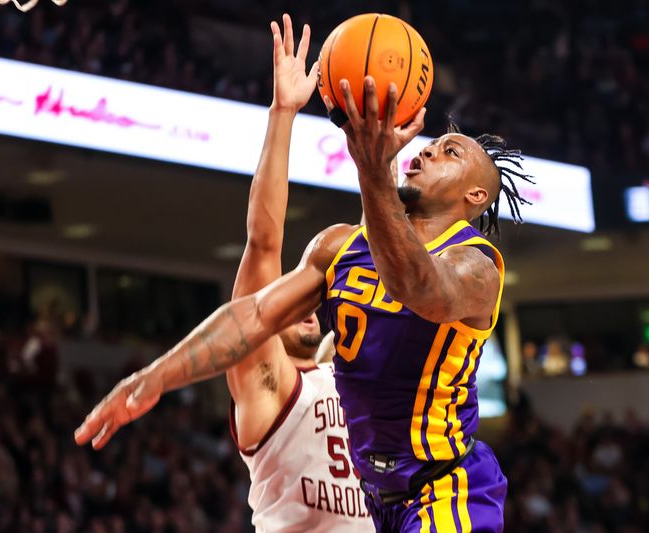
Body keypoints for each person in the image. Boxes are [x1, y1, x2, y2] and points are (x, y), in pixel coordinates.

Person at [75, 65, 533, 533]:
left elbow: (415, 286)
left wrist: (373, 172)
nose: (430, 150)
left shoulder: (477, 266)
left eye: (448, 152)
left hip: (447, 490)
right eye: (431, 144)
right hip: (380, 501)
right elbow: (253, 314)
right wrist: (155, 377)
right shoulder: (339, 248)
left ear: (475, 194)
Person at [222, 15, 371, 531]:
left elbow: (382, 254)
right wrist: (284, 112)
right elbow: (264, 243)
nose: (307, 302)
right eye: (290, 296)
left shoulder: (349, 375)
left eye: (310, 297)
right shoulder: (265, 383)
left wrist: (377, 154)